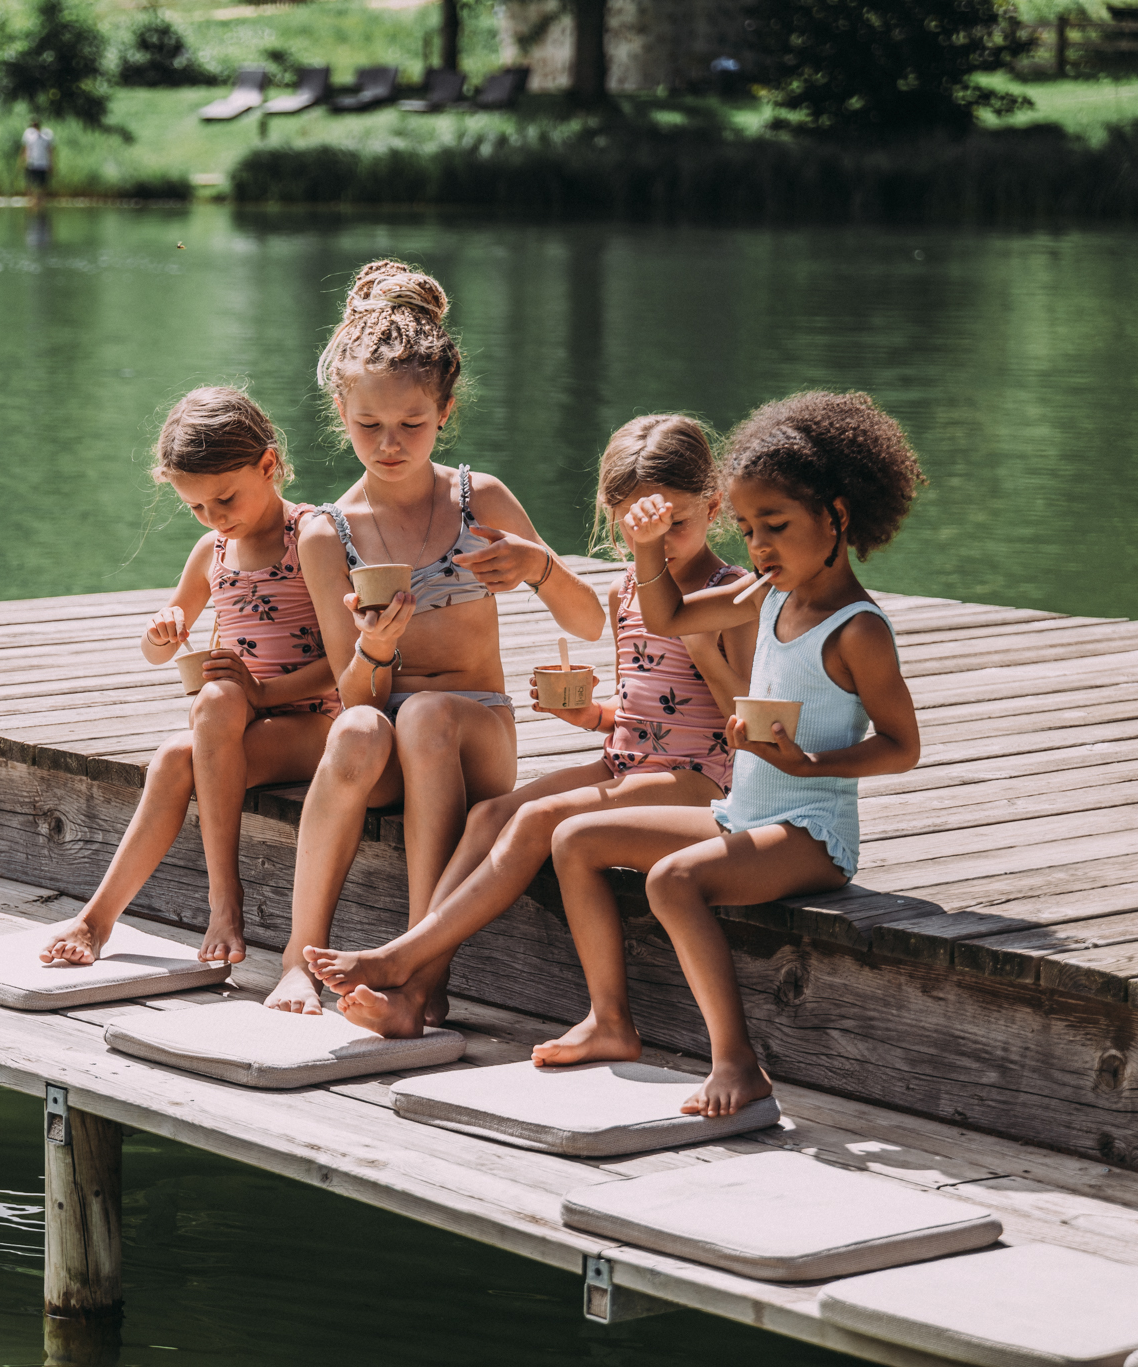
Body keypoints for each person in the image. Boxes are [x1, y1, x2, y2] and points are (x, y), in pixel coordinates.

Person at [537, 390, 927, 1117]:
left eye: (775, 526)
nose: (760, 547)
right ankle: (610, 1020)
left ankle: (738, 1063)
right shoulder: (768, 594)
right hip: (740, 812)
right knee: (574, 838)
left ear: (837, 517)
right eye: (747, 529)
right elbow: (669, 615)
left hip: (813, 831)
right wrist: (650, 547)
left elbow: (903, 747)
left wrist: (813, 767)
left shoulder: (858, 629)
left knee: (673, 882)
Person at [306, 414, 756, 1036]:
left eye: (676, 524)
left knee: (539, 819)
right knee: (490, 816)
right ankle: (421, 994)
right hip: (629, 764)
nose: (658, 543)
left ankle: (406, 966)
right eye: (638, 531)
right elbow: (642, 717)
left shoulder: (733, 594)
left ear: (713, 507)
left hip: (702, 777)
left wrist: (705, 651)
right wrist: (591, 716)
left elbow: (753, 715)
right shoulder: (627, 589)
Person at [267, 260, 606, 1014]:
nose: (390, 443)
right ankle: (298, 955)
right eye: (369, 426)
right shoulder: (326, 533)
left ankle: (423, 969)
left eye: (412, 424)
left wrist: (540, 567)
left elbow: (590, 621)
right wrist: (377, 648)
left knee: (425, 714)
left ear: (445, 411)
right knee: (356, 728)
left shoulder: (476, 498)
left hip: (477, 730)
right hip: (392, 740)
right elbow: (352, 692)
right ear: (340, 410)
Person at [41, 387, 339, 968]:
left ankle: (224, 900)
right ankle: (96, 919)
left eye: (225, 499)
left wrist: (260, 694)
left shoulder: (310, 538)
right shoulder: (212, 553)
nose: (215, 518)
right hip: (242, 720)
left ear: (269, 465)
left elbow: (346, 663)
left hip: (318, 722)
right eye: (198, 508)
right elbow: (160, 651)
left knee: (217, 701)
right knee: (177, 755)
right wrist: (161, 633)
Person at [21, 117, 54, 202]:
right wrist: (23, 161)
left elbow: (50, 150)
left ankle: (40, 202)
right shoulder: (28, 134)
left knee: (42, 185)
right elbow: (25, 149)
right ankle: (31, 201)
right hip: (31, 164)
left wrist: (51, 164)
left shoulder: (47, 135)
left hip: (43, 164)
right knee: (30, 184)